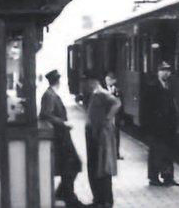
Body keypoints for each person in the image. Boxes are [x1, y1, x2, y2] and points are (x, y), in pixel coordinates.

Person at [40, 69, 87, 207]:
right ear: (58, 81)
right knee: (73, 165)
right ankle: (69, 197)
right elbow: (45, 114)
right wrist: (63, 123)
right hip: (60, 137)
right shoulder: (50, 96)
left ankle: (64, 193)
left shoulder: (51, 94)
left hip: (62, 136)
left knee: (71, 166)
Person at [141, 61, 179, 186]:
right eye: (164, 70)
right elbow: (145, 108)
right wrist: (147, 127)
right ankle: (153, 178)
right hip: (156, 127)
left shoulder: (170, 85)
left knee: (169, 152)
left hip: (169, 126)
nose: (166, 73)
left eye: (168, 70)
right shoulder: (151, 86)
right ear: (158, 72)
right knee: (156, 153)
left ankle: (168, 177)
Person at [85, 76, 121, 208]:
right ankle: (100, 199)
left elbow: (117, 103)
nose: (86, 84)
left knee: (102, 167)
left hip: (101, 135)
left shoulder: (101, 93)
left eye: (88, 81)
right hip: (96, 133)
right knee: (97, 167)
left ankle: (104, 200)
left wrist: (108, 118)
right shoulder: (96, 94)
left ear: (94, 82)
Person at [103, 71, 123, 160]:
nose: (108, 81)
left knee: (116, 134)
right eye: (107, 79)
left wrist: (122, 117)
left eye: (110, 80)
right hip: (107, 116)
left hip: (116, 116)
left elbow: (121, 103)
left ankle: (116, 153)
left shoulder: (117, 90)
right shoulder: (103, 90)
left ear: (114, 81)